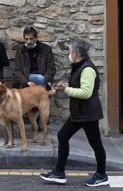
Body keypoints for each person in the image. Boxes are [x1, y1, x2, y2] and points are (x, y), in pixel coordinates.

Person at [40, 40, 108, 187]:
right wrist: (66, 86)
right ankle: (59, 173)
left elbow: (86, 93)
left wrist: (66, 89)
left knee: (95, 143)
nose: (69, 54)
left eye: (70, 51)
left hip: (88, 113)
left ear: (76, 53)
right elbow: (80, 86)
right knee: (63, 136)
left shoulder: (87, 69)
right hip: (81, 112)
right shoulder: (80, 67)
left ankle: (101, 175)